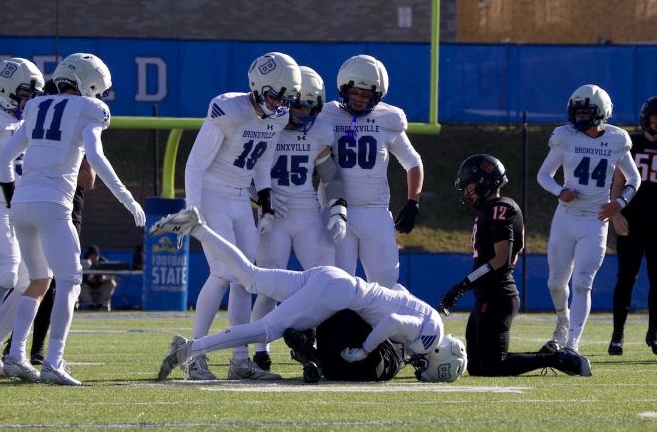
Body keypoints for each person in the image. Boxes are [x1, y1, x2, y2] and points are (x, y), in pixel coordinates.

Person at [149, 206, 467, 384]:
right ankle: (188, 351)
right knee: (264, 330)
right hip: (338, 293)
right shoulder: (429, 339)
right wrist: (363, 350)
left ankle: (197, 226)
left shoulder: (429, 317)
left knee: (251, 277)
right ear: (441, 357)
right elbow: (392, 322)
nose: (419, 367)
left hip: (334, 280)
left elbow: (397, 294)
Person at [0, 52, 146, 386]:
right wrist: (127, 198)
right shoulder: (90, 109)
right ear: (90, 85)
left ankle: (16, 355)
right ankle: (53, 361)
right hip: (53, 205)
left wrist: (11, 197)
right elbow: (96, 158)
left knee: (38, 280)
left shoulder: (36, 106)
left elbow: (4, 157)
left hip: (20, 204)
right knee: (70, 281)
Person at [182, 52, 301, 381]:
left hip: (238, 198)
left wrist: (265, 204)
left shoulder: (278, 116)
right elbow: (195, 165)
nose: (279, 104)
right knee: (222, 273)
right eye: (274, 95)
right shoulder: (228, 109)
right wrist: (192, 210)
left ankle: (239, 360)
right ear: (258, 86)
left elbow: (262, 164)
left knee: (247, 278)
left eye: (285, 99)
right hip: (211, 194)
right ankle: (194, 356)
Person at [439, 154, 592, 377]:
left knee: (492, 367)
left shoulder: (500, 208)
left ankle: (558, 359)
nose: (466, 192)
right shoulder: (488, 209)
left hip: (498, 296)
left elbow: (501, 259)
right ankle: (547, 353)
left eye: (469, 186)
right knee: (478, 367)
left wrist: (463, 285)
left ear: (484, 182)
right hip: (486, 296)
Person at [250, 65, 345, 371]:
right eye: (299, 106)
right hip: (274, 213)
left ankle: (311, 342)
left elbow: (331, 175)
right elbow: (244, 169)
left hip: (306, 211)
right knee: (268, 286)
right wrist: (261, 197)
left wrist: (338, 210)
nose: (304, 114)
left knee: (326, 280)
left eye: (310, 107)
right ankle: (260, 350)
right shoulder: (266, 123)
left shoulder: (320, 131)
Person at [537, 84, 641, 353]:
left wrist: (619, 203)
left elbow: (634, 178)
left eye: (586, 112)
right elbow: (544, 175)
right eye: (577, 112)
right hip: (566, 217)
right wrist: (560, 191)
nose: (579, 117)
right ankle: (562, 321)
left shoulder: (617, 139)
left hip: (596, 220)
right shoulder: (565, 137)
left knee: (583, 283)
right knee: (555, 283)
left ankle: (573, 343)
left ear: (601, 112)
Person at [318, 54, 424, 288]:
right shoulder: (326, 115)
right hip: (336, 209)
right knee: (336, 283)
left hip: (375, 210)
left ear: (377, 96)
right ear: (344, 88)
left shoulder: (388, 119)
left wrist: (413, 202)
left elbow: (413, 162)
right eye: (355, 92)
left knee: (386, 282)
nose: (358, 99)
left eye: (365, 95)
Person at [0, 57, 43, 376]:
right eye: (25, 94)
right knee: (8, 272)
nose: (29, 102)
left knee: (29, 278)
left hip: (18, 205)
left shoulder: (24, 122)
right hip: (0, 204)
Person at [608, 95, 657, 355]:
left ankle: (654, 332)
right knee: (625, 279)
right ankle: (617, 335)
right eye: (655, 119)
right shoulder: (632, 143)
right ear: (646, 119)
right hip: (631, 221)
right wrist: (616, 213)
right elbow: (618, 180)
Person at [78, 245, 117, 311]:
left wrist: (104, 278)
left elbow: (112, 275)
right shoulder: (83, 263)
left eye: (96, 255)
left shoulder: (103, 262)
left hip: (101, 286)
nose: (94, 258)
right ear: (88, 256)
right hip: (88, 287)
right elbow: (77, 276)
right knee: (79, 286)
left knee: (112, 283)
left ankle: (102, 304)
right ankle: (89, 305)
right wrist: (87, 278)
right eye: (92, 256)